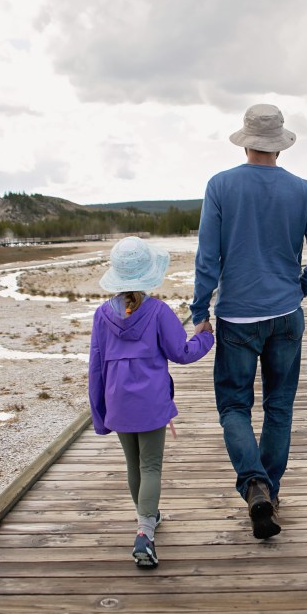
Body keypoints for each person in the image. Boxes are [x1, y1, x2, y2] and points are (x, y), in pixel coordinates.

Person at [191, 104, 307, 539]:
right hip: (286, 316)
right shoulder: (304, 190)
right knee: (279, 407)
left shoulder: (220, 186)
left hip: (236, 318)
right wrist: (300, 289)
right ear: (279, 145)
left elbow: (208, 258)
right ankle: (270, 490)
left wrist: (200, 312)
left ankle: (254, 484)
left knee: (234, 406)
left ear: (247, 140)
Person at [89, 235, 214, 568]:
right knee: (151, 466)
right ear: (148, 274)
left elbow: (96, 367)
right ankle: (145, 533)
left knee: (134, 465)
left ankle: (149, 517)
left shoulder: (102, 315)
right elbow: (182, 353)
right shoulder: (158, 311)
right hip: (151, 402)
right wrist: (205, 336)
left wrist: (99, 414)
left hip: (117, 401)